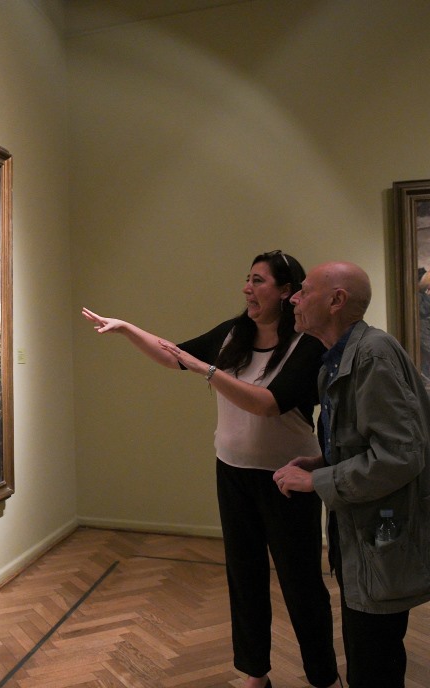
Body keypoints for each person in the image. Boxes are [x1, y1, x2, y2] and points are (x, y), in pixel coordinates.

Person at [82, 250, 339, 688]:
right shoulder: (233, 334)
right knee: (244, 576)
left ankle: (323, 677)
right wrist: (126, 328)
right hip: (233, 472)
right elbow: (173, 355)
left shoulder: (307, 343)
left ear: (286, 291)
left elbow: (267, 404)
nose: (247, 288)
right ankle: (255, 673)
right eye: (248, 279)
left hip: (289, 478)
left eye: (258, 281)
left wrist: (206, 369)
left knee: (301, 584)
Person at [273, 261, 430, 688]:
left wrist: (318, 481)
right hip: (365, 536)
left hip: (381, 536)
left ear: (336, 301)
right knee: (368, 654)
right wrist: (323, 462)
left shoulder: (372, 356)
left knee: (372, 662)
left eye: (305, 291)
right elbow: (368, 443)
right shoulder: (340, 359)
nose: (294, 298)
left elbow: (401, 455)